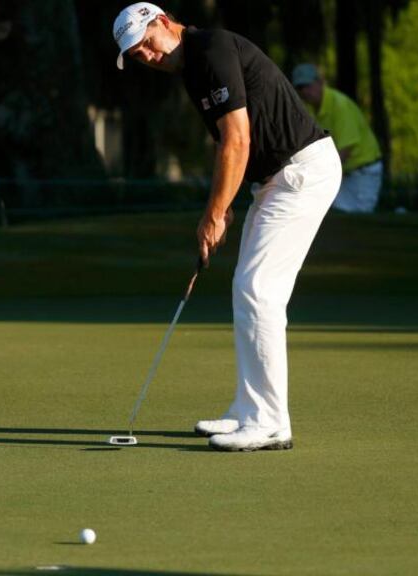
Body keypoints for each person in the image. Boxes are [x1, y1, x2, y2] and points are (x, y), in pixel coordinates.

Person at [113, 3, 342, 451]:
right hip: (275, 180)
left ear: (163, 22)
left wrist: (215, 213)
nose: (147, 56)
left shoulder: (211, 49)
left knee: (259, 289)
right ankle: (248, 408)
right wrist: (226, 199)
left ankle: (269, 422)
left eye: (146, 43)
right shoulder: (193, 68)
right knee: (247, 287)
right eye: (136, 54)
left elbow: (238, 139)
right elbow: (229, 141)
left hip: (301, 173)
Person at [292, 63, 383, 213]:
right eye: (300, 88)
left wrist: (316, 172)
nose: (305, 91)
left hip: (362, 173)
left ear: (320, 82)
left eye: (308, 85)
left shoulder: (340, 105)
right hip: (343, 172)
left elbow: (346, 149)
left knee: (359, 221)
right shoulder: (308, 109)